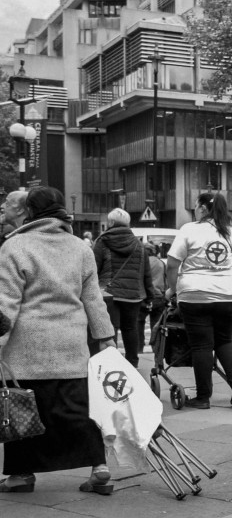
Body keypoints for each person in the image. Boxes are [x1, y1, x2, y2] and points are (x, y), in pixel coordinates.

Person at [0, 186, 116, 494]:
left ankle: (22, 474)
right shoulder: (80, 247)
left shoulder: (14, 247)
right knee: (76, 409)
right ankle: (99, 466)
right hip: (71, 343)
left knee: (24, 410)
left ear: (31, 212)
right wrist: (106, 337)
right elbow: (93, 298)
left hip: (27, 346)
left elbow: (6, 301)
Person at [165, 191, 232, 409]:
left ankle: (203, 397)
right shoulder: (230, 232)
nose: (195, 210)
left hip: (195, 295)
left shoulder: (189, 230)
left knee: (201, 345)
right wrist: (231, 281)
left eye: (196, 206)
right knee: (224, 340)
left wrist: (172, 290)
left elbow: (172, 263)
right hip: (228, 296)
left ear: (203, 209)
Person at [93, 208, 154, 368]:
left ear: (111, 223)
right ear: (128, 223)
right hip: (133, 294)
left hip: (108, 293)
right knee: (130, 328)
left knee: (109, 329)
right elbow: (146, 273)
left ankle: (109, 365)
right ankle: (132, 363)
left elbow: (93, 269)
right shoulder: (139, 245)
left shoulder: (102, 242)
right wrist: (149, 296)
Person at [137, 243, 167, 349]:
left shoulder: (141, 262)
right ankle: (156, 348)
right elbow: (165, 279)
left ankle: (139, 346)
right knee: (156, 325)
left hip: (143, 297)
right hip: (158, 297)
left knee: (138, 322)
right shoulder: (161, 263)